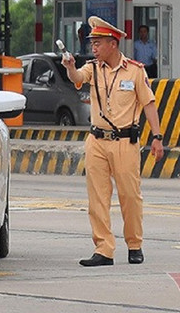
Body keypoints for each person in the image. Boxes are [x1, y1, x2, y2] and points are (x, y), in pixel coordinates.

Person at [62, 16, 164, 267]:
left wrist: (157, 137)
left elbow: (149, 104)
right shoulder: (93, 68)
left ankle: (134, 244)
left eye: (98, 43)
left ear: (113, 44)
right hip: (97, 140)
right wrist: (70, 67)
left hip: (125, 142)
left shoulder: (135, 71)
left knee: (130, 196)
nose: (93, 47)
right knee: (97, 198)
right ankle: (104, 249)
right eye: (92, 43)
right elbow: (77, 77)